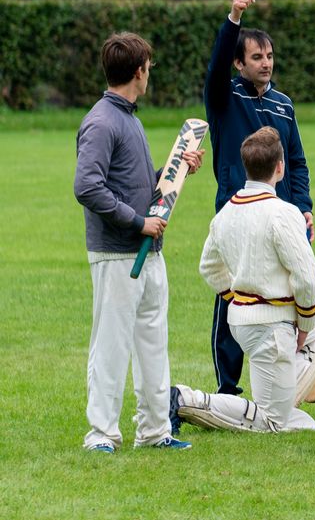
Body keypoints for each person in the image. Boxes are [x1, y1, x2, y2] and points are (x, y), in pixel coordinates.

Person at [75, 32, 202, 452]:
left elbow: (141, 186)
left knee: (153, 344)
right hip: (117, 254)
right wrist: (137, 222)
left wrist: (177, 169)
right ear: (137, 71)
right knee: (111, 345)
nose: (150, 74)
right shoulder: (101, 121)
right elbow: (87, 187)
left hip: (149, 255)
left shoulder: (129, 117)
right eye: (148, 67)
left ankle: (154, 431)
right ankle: (102, 434)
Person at [175, 128, 315, 433]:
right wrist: (303, 326)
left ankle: (293, 363)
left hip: (242, 321)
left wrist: (236, 297)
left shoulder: (225, 213)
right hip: (272, 325)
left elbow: (208, 267)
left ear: (247, 167)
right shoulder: (284, 213)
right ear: (280, 167)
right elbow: (306, 277)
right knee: (275, 422)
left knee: (303, 421)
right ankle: (186, 399)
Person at [205, 0, 313, 397]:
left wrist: (303, 206)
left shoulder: (284, 105)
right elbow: (215, 68)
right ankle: (227, 388)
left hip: (282, 214)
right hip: (236, 209)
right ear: (239, 63)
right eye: (256, 57)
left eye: (269, 56)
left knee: (283, 292)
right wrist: (234, 18)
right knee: (233, 292)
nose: (265, 63)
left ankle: (283, 380)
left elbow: (298, 162)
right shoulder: (223, 97)